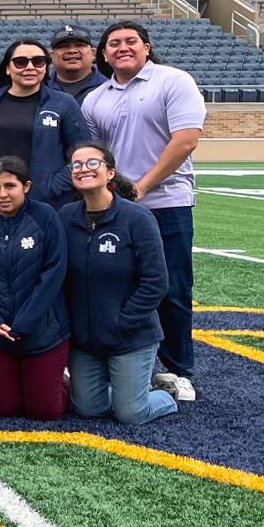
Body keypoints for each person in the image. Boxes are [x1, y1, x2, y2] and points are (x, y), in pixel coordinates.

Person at [82, 21, 205, 400]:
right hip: (116, 206)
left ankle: (176, 368)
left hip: (166, 202)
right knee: (116, 285)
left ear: (147, 47)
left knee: (171, 286)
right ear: (103, 54)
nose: (122, 47)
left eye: (130, 41)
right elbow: (97, 156)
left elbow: (185, 140)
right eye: (113, 43)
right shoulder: (95, 99)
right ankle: (124, 364)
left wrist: (142, 186)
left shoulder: (173, 81)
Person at [62, 143, 178, 425]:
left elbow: (156, 282)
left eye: (92, 163)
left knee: (131, 414)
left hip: (129, 336)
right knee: (88, 409)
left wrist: (122, 322)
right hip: (85, 339)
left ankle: (165, 394)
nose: (83, 169)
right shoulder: (65, 217)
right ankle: (126, 390)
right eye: (76, 165)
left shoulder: (137, 218)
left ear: (110, 172)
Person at [0, 157, 69, 421]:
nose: (2, 194)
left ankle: (63, 382)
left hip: (43, 332)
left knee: (44, 411)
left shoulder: (45, 217)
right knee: (2, 409)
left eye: (10, 186)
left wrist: (25, 322)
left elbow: (53, 273)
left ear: (27, 186)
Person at [0, 39, 89, 210]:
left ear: (45, 67)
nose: (30, 67)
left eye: (38, 61)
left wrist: (52, 186)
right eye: (20, 62)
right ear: (7, 68)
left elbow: (83, 153)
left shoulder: (63, 103)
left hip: (46, 205)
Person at [49, 24, 106, 101]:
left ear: (93, 53)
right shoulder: (39, 88)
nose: (72, 51)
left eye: (80, 45)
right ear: (51, 55)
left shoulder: (108, 87)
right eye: (63, 46)